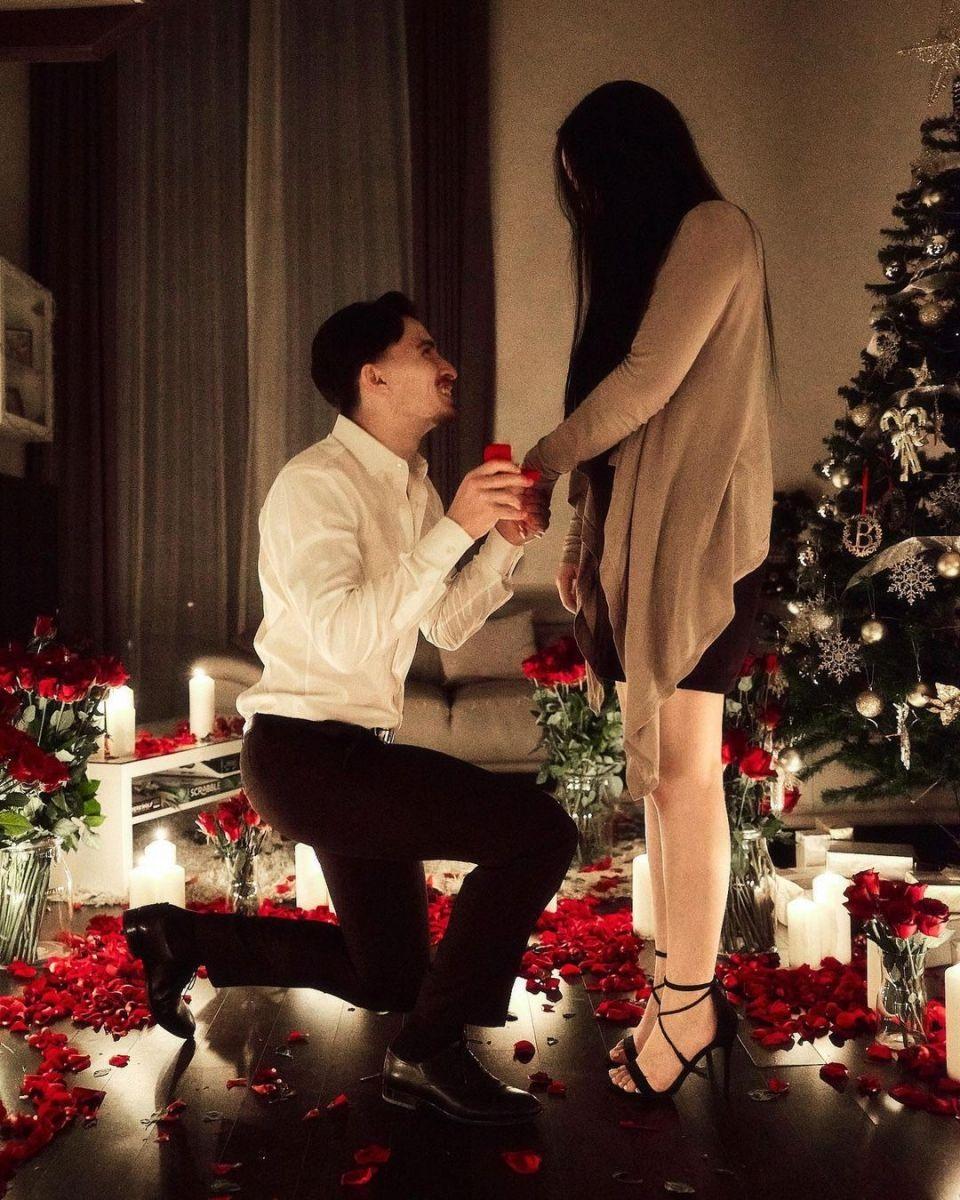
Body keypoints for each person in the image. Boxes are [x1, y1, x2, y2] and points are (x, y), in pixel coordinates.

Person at [123, 290, 578, 1126]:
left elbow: (441, 624)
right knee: (539, 832)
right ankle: (427, 1052)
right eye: (425, 348)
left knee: (390, 977)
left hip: (352, 754)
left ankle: (184, 938)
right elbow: (339, 638)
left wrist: (498, 545)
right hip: (305, 757)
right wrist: (456, 529)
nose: (448, 365)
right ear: (374, 376)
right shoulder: (314, 485)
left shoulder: (411, 488)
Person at [521, 82, 777, 1100]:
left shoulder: (715, 229)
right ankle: (679, 994)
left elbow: (646, 382)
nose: (586, 207)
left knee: (685, 775)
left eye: (590, 183)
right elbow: (618, 423)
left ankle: (690, 1003)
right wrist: (582, 535)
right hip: (639, 543)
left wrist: (539, 462)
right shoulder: (655, 257)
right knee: (670, 779)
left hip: (701, 539)